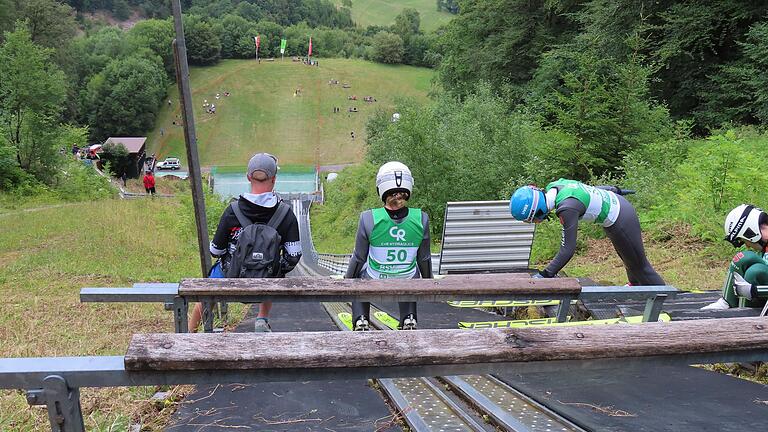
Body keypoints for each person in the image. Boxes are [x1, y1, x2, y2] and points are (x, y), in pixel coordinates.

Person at [190, 153, 302, 332]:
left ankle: (190, 332)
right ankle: (262, 318)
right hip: (267, 282)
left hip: (232, 278)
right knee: (271, 265)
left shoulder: (232, 210)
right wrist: (272, 266)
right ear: (274, 179)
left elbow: (215, 251)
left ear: (248, 177)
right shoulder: (285, 213)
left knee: (209, 285)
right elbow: (294, 256)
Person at [510, 179, 664, 285]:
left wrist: (545, 275)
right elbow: (589, 189)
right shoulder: (556, 186)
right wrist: (614, 190)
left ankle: (669, 302)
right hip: (617, 209)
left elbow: (567, 250)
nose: (535, 223)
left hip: (620, 218)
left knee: (640, 267)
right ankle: (637, 289)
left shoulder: (567, 208)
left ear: (537, 211)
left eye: (532, 220)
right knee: (629, 259)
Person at [345, 162, 433, 331]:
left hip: (375, 278)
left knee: (359, 276)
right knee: (411, 275)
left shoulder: (369, 218)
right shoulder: (421, 218)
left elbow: (359, 257)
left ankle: (361, 319)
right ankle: (409, 317)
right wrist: (429, 282)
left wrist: (347, 280)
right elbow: (424, 258)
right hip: (406, 279)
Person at [702, 204, 768, 310]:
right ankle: (727, 302)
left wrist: (755, 290)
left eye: (743, 240)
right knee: (745, 258)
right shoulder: (765, 248)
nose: (747, 245)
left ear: (750, 232)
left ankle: (743, 315)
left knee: (755, 272)